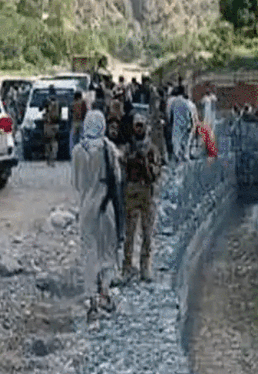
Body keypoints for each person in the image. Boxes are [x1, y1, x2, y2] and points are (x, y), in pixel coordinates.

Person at [72, 110, 124, 320]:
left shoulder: (77, 150)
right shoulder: (109, 148)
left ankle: (91, 299)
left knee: (89, 252)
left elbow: (76, 183)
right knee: (107, 251)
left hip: (86, 207)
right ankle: (105, 292)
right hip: (106, 207)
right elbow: (118, 178)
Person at [120, 114, 161, 282]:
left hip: (146, 191)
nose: (138, 129)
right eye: (136, 126)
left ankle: (145, 267)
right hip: (131, 190)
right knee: (129, 233)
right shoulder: (128, 148)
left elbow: (157, 172)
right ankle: (127, 267)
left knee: (147, 233)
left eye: (141, 126)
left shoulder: (152, 149)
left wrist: (146, 164)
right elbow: (122, 166)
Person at [167, 84, 196, 162]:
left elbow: (170, 113)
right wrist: (191, 124)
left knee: (176, 141)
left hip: (177, 124)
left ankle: (178, 157)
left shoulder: (174, 101)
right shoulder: (187, 102)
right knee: (185, 142)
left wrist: (169, 123)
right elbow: (189, 114)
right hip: (186, 124)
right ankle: (185, 156)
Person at [42, 95, 63, 166]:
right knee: (54, 142)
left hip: (48, 125)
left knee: (47, 143)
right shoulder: (58, 105)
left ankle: (48, 158)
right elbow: (60, 116)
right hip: (56, 125)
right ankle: (53, 159)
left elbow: (42, 112)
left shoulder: (47, 104)